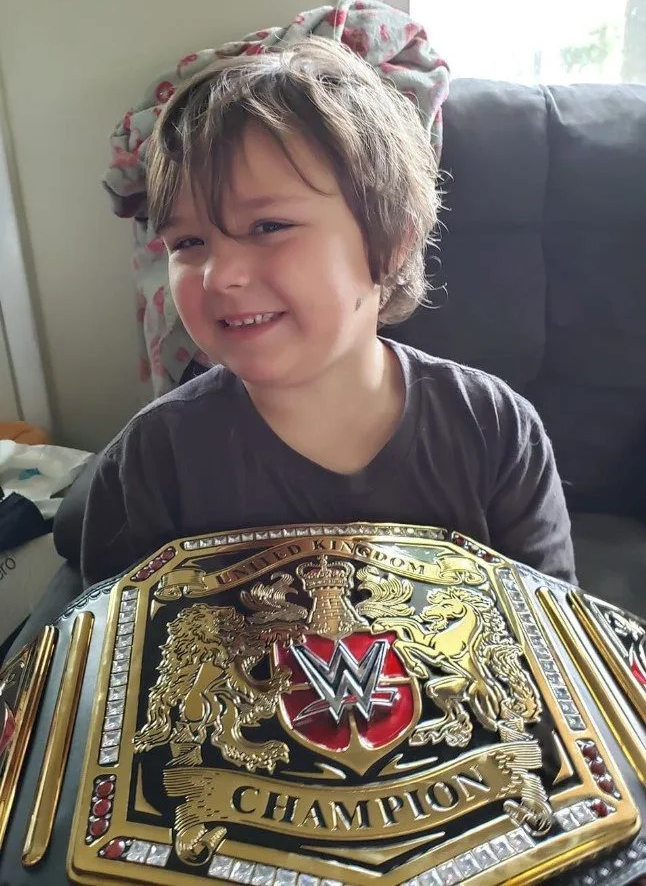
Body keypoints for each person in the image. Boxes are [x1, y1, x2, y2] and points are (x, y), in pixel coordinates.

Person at [80, 37, 575, 586]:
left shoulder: (496, 430)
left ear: (390, 242)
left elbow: (552, 637)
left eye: (268, 227)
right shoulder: (152, 461)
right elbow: (120, 656)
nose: (220, 276)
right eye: (189, 243)